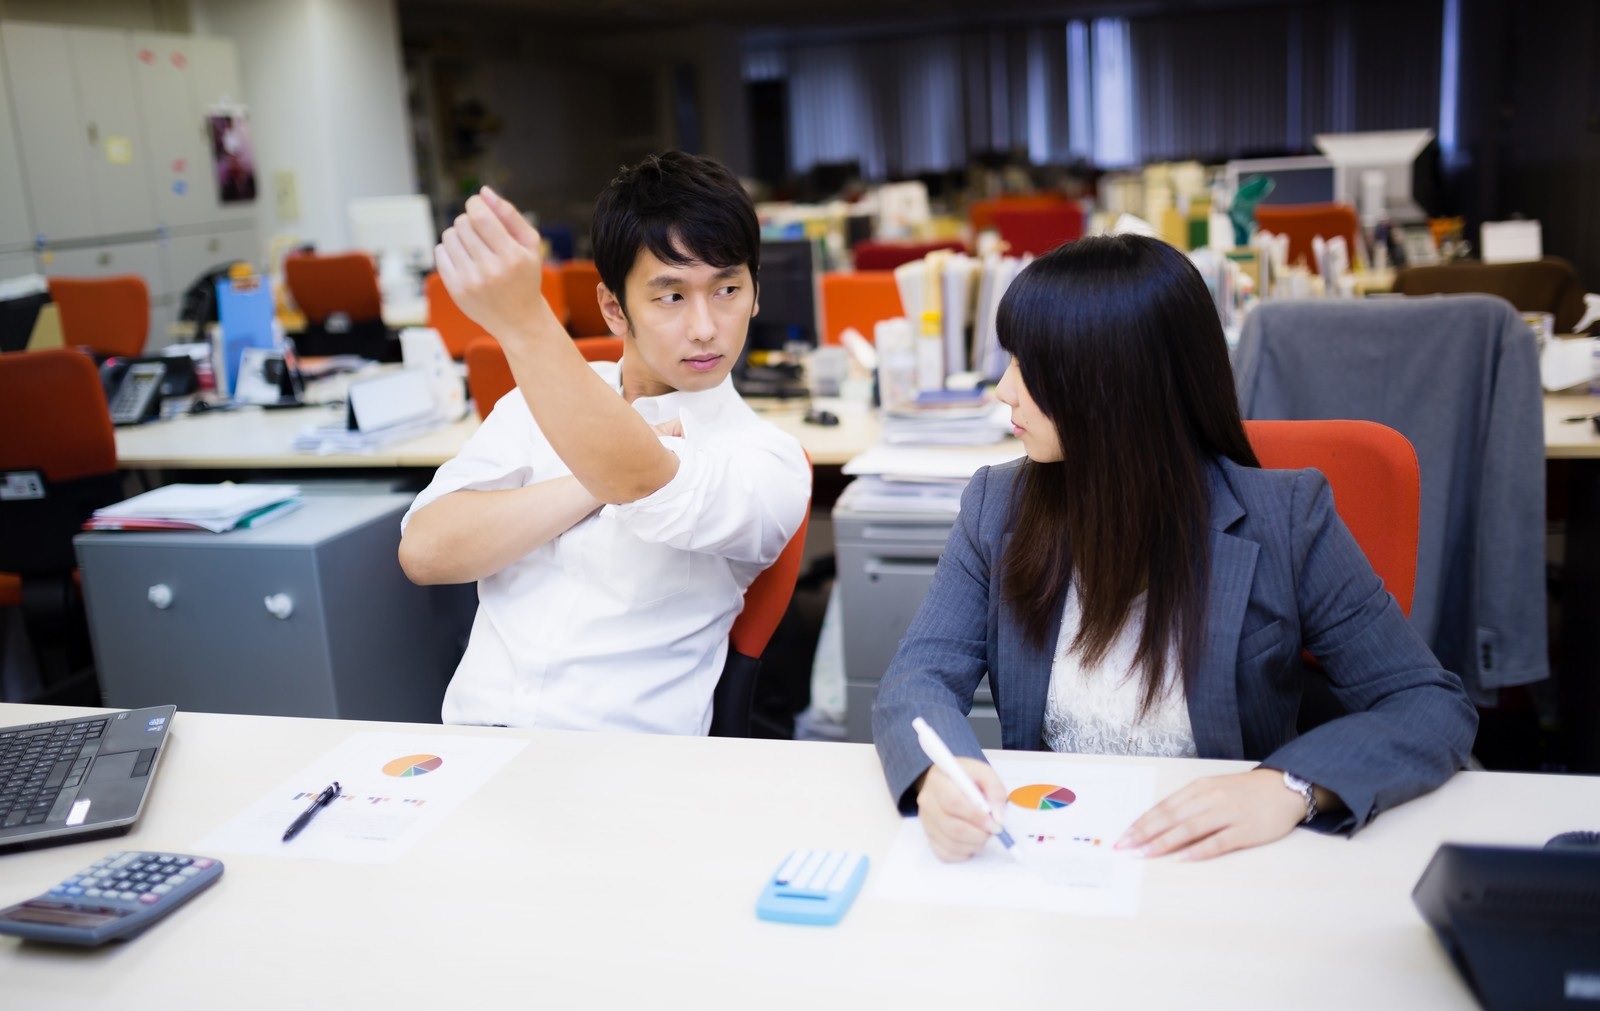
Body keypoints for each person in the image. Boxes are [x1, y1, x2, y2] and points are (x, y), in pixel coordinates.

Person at [872, 234, 1477, 862]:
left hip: (1221, 858)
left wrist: (1288, 786)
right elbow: (916, 680)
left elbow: (1427, 703)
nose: (1003, 390)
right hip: (1054, 845)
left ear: (1115, 386)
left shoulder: (1288, 518)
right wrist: (940, 773)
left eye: (1031, 366)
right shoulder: (998, 505)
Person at [398, 152, 810, 735]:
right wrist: (583, 489)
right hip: (473, 744)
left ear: (755, 292)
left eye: (727, 289)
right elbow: (426, 552)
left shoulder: (767, 459)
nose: (704, 326)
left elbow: (646, 483)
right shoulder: (539, 400)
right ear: (614, 308)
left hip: (626, 769)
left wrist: (523, 320)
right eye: (671, 296)